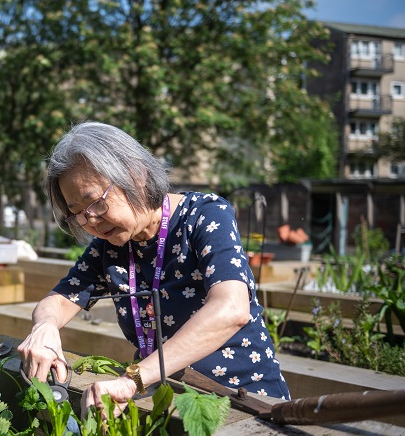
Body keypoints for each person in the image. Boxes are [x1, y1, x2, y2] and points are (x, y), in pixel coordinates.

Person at [17, 121, 290, 418]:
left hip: (245, 400)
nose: (91, 220)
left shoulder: (205, 216)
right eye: (78, 213)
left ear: (136, 175)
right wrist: (44, 327)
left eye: (94, 202)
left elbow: (231, 309)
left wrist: (133, 379)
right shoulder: (112, 246)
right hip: (167, 397)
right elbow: (58, 300)